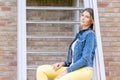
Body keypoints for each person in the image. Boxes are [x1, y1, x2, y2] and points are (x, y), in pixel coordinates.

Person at [36, 8, 97, 80]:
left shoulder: (90, 35)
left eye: (87, 17)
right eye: (82, 15)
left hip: (84, 70)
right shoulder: (79, 34)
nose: (83, 18)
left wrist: (66, 71)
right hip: (73, 67)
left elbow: (85, 59)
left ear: (91, 21)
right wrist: (62, 63)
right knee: (41, 70)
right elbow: (73, 59)